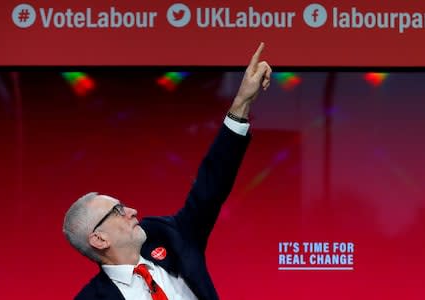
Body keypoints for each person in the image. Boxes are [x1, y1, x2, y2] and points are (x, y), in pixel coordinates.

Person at [63, 43, 272, 300]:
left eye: (123, 205)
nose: (132, 211)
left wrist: (241, 104)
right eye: (117, 211)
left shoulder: (167, 236)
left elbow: (211, 186)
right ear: (99, 239)